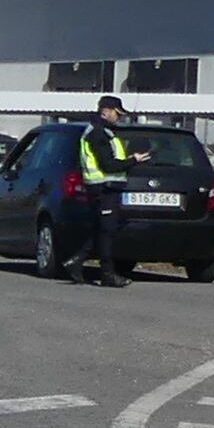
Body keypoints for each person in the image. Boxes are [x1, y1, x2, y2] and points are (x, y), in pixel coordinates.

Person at [71, 94, 134, 287]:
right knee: (107, 230)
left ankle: (76, 261)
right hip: (102, 188)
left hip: (107, 188)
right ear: (105, 111)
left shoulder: (103, 131)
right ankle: (107, 274)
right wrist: (133, 161)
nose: (120, 118)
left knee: (103, 229)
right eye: (118, 113)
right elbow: (108, 165)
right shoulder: (97, 133)